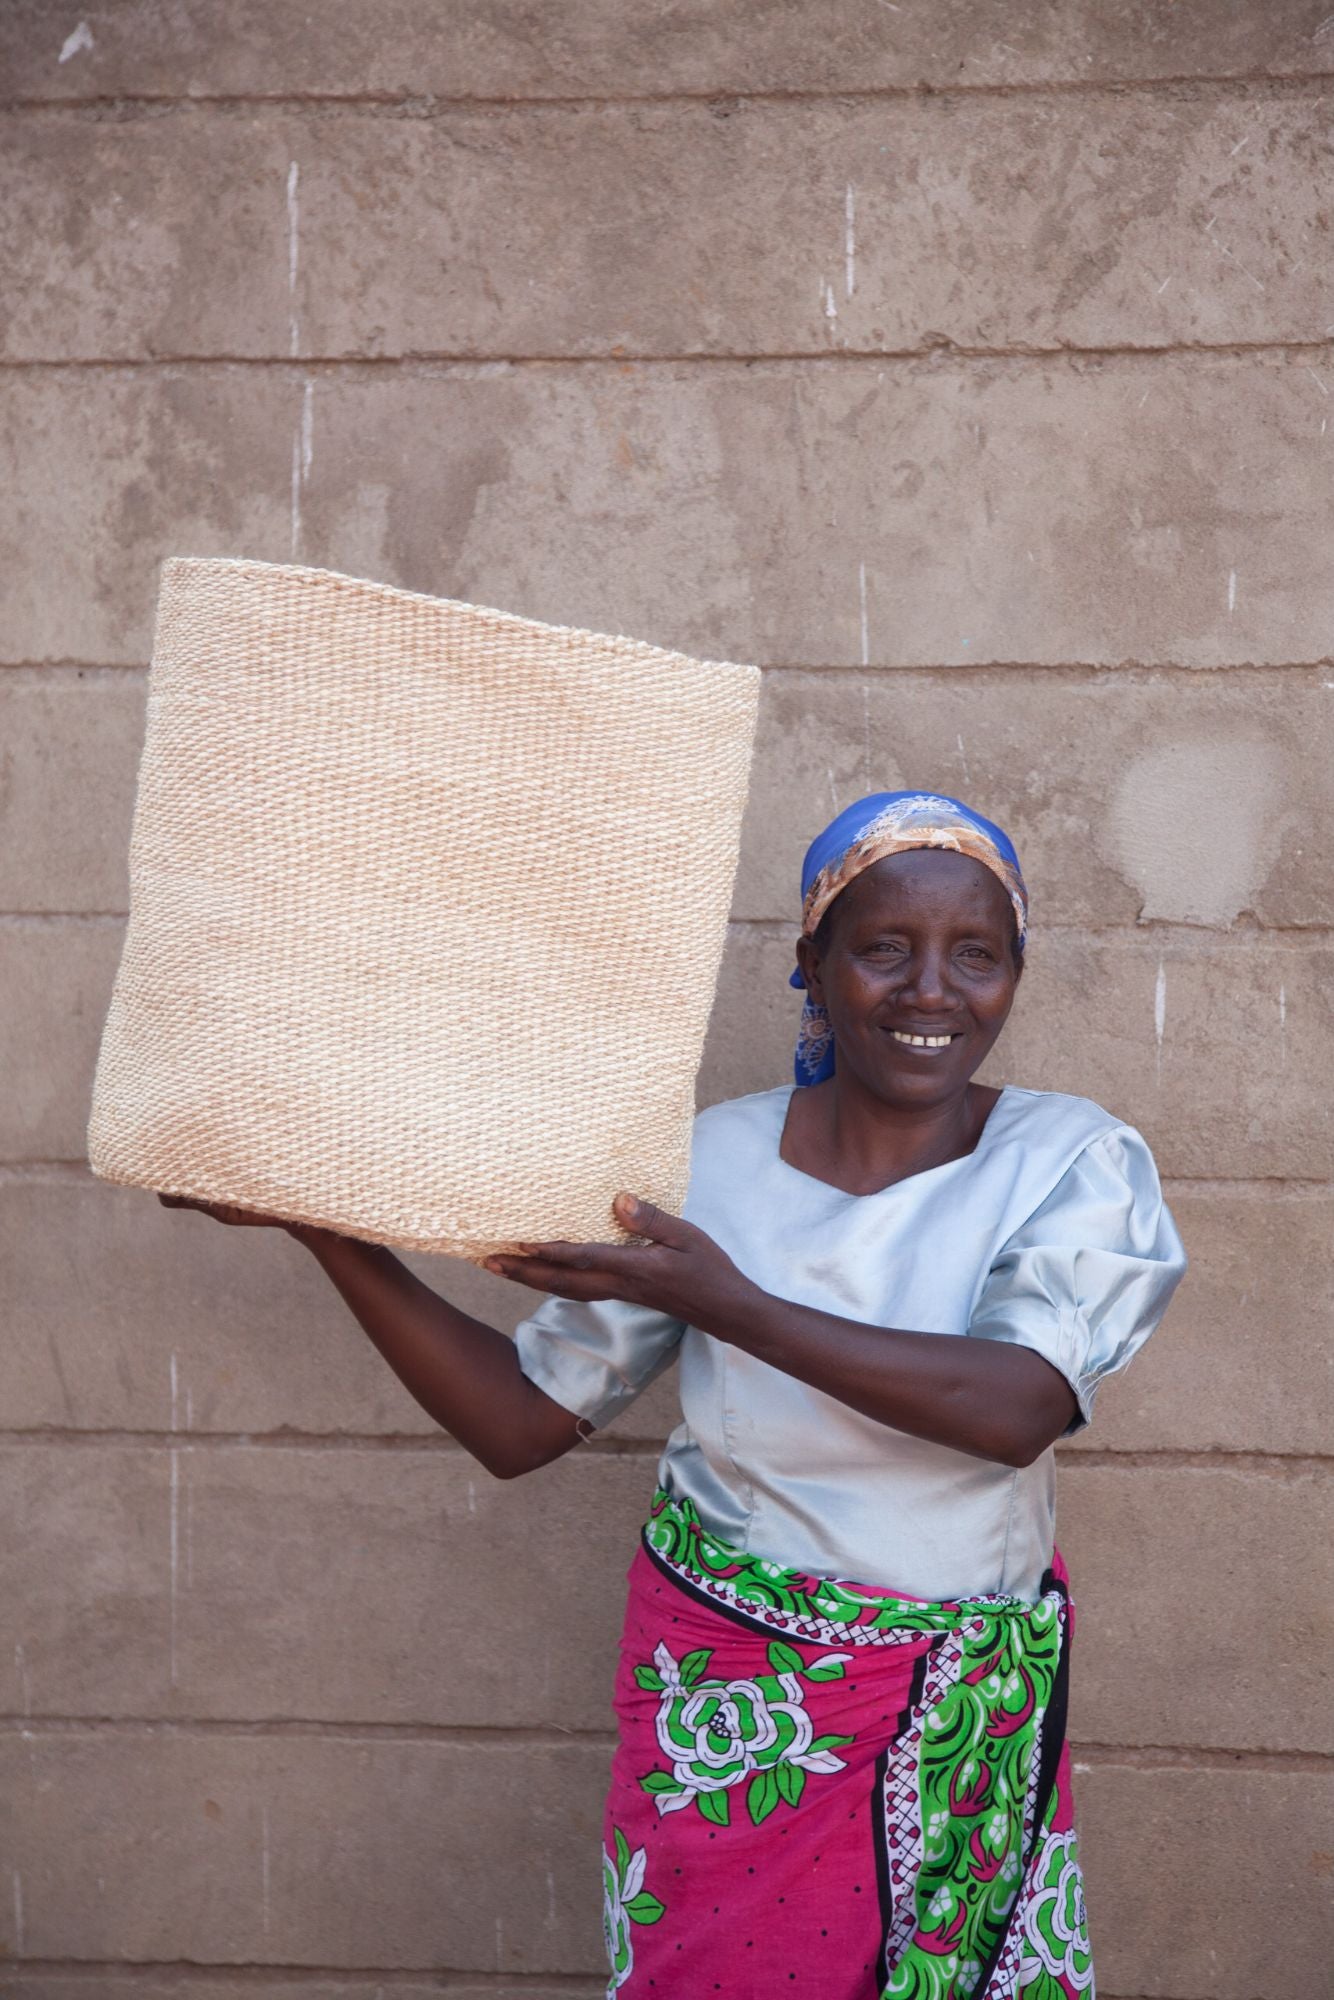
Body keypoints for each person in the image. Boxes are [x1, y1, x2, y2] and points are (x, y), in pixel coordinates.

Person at [162, 789, 1186, 1999]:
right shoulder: (704, 1163)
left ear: (1015, 971)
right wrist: (326, 1232)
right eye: (882, 948)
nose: (930, 990)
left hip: (957, 1710)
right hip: (727, 1710)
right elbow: (517, 1420)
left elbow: (1014, 1408)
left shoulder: (1070, 1159)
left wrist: (728, 1302)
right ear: (810, 963)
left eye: (975, 954)